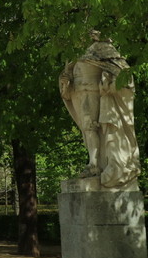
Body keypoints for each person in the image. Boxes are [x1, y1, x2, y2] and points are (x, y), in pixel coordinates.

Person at [59, 30, 140, 188]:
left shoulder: (103, 48)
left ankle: (95, 164)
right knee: (87, 129)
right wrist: (64, 81)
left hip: (92, 91)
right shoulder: (73, 53)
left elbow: (121, 71)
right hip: (78, 93)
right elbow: (67, 75)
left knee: (92, 127)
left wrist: (111, 84)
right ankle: (93, 164)